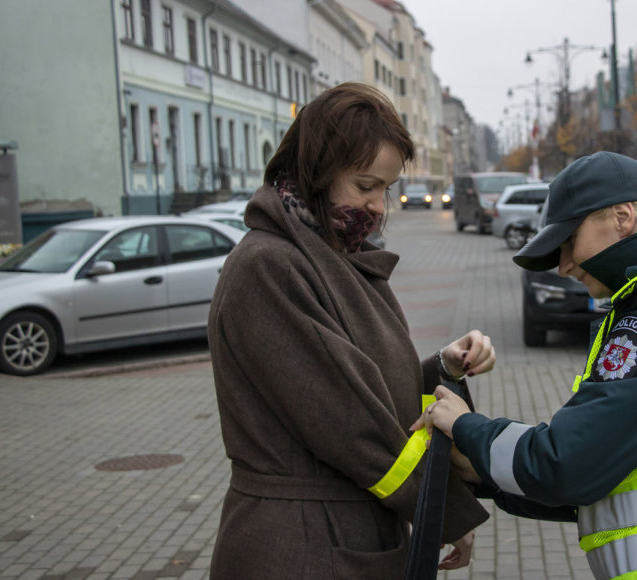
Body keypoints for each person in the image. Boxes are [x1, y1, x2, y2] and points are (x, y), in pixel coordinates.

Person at [415, 152, 637, 579]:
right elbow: (609, 479)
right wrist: (481, 471)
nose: (564, 265)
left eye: (569, 243)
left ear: (622, 217)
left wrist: (466, 426)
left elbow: (567, 465)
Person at [208, 82, 494, 579]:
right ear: (313, 174)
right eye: (365, 186)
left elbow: (372, 386)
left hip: (343, 531)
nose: (379, 205)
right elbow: (352, 425)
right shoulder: (270, 267)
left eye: (385, 188)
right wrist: (441, 512)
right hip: (301, 545)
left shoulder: (335, 256)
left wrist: (441, 366)